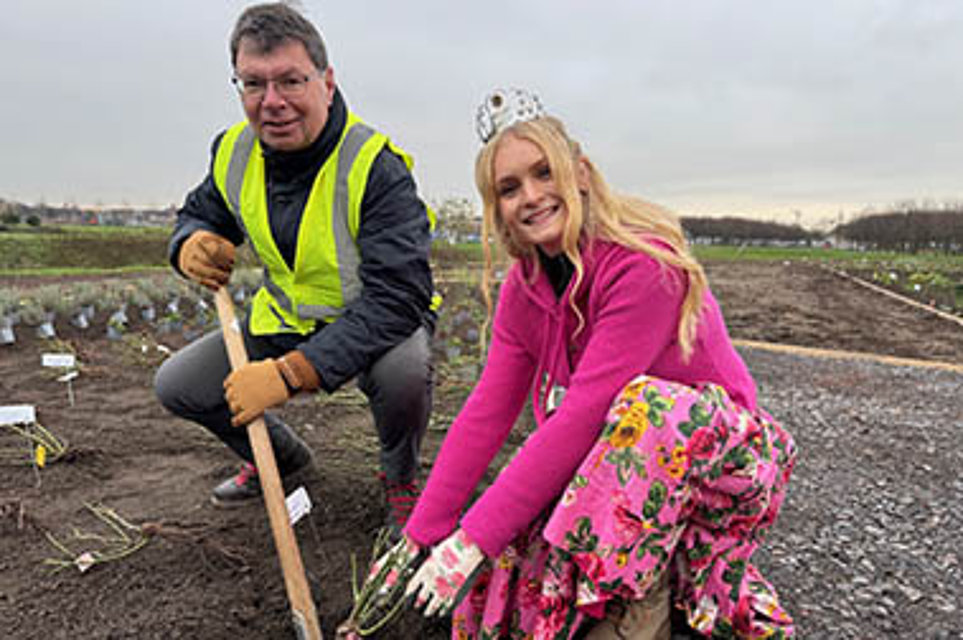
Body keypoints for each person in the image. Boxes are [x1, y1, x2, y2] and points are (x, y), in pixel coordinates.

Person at [381, 88, 796, 639]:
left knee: (645, 410)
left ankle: (640, 601)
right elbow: (486, 412)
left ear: (579, 172)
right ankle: (622, 588)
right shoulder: (524, 289)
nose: (531, 196)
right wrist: (424, 532)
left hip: (723, 465)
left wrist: (472, 538)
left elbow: (584, 414)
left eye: (543, 173)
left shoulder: (642, 266)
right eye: (509, 188)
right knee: (515, 543)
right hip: (623, 468)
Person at [154, 2, 436, 534]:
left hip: (373, 323)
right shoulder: (234, 150)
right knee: (179, 384)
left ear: (326, 83)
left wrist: (291, 374)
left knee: (404, 371)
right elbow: (202, 212)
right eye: (253, 84)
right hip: (284, 320)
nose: (273, 102)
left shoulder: (375, 167)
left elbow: (399, 297)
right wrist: (190, 241)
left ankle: (400, 476)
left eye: (290, 80)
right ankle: (279, 458)